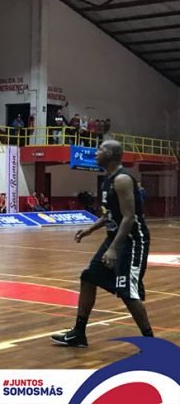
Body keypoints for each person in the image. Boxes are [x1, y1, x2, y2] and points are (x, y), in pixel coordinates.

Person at [52, 140, 153, 347]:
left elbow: (128, 217)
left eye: (100, 149)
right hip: (114, 237)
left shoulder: (122, 179)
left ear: (112, 154)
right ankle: (79, 333)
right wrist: (90, 229)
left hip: (133, 240)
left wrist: (114, 249)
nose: (96, 152)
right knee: (88, 277)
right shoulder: (107, 180)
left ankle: (151, 343)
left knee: (128, 292)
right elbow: (109, 214)